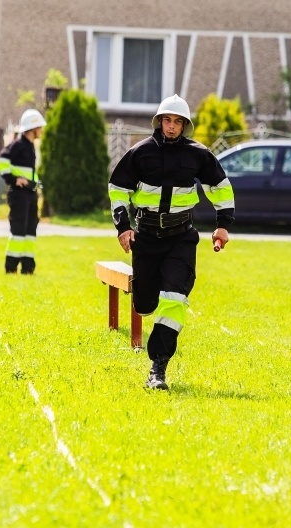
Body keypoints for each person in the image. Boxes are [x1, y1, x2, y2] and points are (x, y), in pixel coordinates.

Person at [108, 94, 235, 390]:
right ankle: (148, 309)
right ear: (159, 121)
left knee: (175, 297)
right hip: (147, 237)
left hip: (181, 237)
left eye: (178, 122)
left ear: (185, 125)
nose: (172, 126)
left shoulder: (198, 154)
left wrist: (222, 225)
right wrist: (123, 227)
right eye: (167, 120)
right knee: (144, 303)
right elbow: (118, 189)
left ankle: (158, 367)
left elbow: (220, 186)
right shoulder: (139, 153)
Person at [0, 109, 46, 274]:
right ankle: (11, 268)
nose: (41, 131)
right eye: (39, 127)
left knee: (30, 230)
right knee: (18, 230)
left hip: (30, 194)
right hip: (19, 195)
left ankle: (27, 268)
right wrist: (13, 179)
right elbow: (0, 160)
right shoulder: (18, 145)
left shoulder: (30, 147)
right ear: (32, 129)